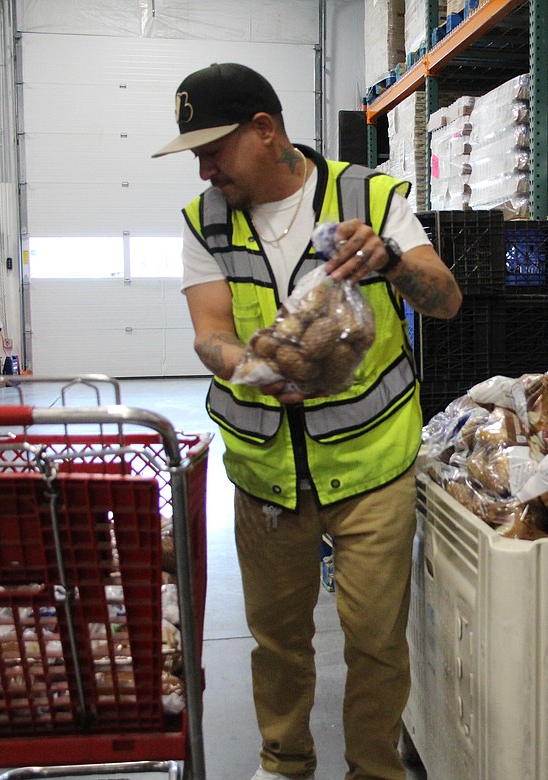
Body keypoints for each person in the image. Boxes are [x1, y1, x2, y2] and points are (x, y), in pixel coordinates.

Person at [153, 62, 462, 780]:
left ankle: (373, 771)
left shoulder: (369, 196)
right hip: (266, 471)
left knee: (376, 641)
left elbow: (444, 300)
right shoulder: (205, 222)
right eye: (195, 154)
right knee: (278, 640)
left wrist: (388, 262)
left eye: (213, 149)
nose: (203, 170)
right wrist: (249, 368)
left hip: (370, 463)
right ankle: (283, 763)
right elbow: (208, 331)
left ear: (265, 130)